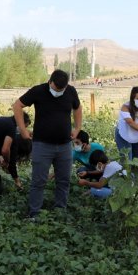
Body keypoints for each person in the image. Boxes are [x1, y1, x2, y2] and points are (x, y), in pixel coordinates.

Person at [13, 70, 82, 219]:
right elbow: (17, 106)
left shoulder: (70, 91)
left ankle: (60, 210)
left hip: (64, 145)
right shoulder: (38, 91)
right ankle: (34, 213)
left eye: (62, 90)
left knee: (63, 180)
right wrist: (23, 130)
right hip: (42, 145)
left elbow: (77, 108)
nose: (59, 92)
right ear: (50, 82)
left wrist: (77, 128)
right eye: (57, 89)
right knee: (39, 181)